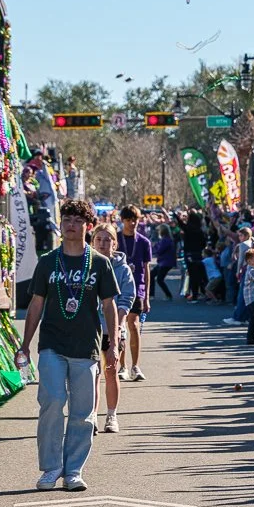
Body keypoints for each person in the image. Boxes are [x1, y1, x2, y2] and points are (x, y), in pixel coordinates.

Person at [16, 199, 119, 491]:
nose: (70, 225)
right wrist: (25, 344)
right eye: (66, 220)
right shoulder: (48, 261)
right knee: (52, 401)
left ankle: (73, 470)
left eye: (77, 221)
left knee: (83, 412)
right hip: (52, 343)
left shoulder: (99, 263)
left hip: (86, 347)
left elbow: (109, 305)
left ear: (87, 226)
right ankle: (51, 468)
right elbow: (36, 304)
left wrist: (113, 344)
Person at [90, 224, 135, 434]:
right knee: (91, 372)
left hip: (112, 328)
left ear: (114, 243)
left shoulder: (122, 269)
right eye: (99, 239)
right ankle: (91, 416)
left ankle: (111, 415)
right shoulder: (86, 264)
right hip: (89, 327)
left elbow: (127, 298)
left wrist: (119, 325)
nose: (103, 243)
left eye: (107, 240)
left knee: (110, 371)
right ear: (92, 242)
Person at [116, 205, 151, 382]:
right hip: (117, 287)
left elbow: (146, 268)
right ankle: (122, 365)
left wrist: (147, 297)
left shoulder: (144, 242)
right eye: (129, 219)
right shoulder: (115, 238)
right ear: (122, 220)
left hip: (138, 288)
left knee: (134, 325)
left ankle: (135, 366)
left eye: (135, 219)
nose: (132, 223)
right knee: (119, 327)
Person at [151, 225, 176, 301]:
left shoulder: (165, 240)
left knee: (159, 279)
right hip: (164, 262)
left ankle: (168, 295)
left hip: (165, 262)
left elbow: (159, 251)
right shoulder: (167, 239)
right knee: (152, 275)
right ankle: (151, 294)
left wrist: (154, 246)